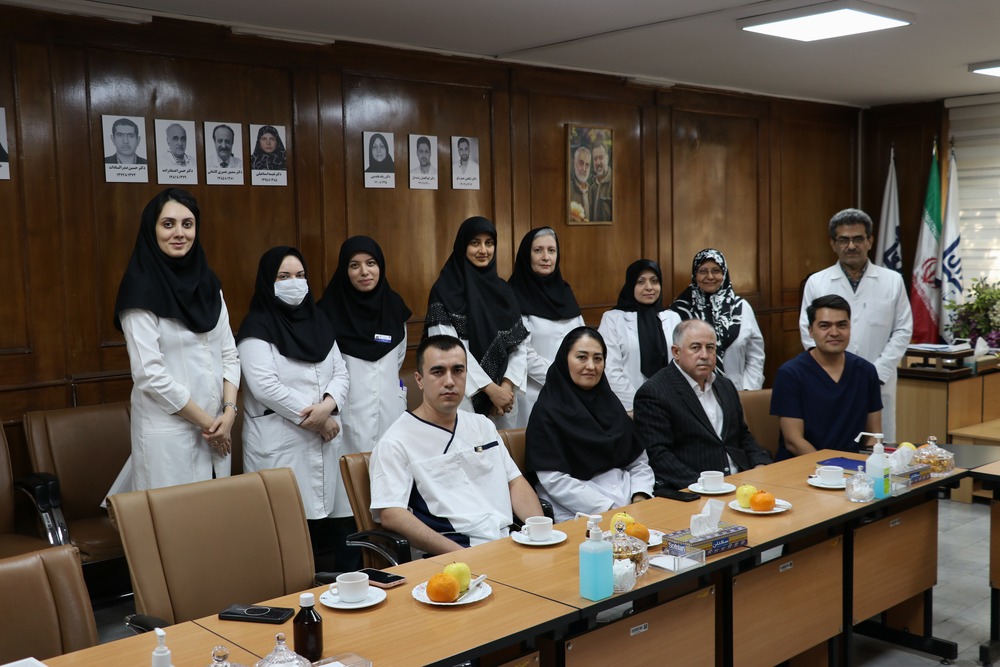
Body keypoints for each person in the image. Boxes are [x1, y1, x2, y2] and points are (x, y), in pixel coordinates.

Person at [369, 335, 543, 555]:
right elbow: (391, 514)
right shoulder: (395, 442)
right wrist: (462, 554)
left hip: (507, 543)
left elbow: (515, 482)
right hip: (451, 554)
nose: (450, 381)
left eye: (458, 370)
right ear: (419, 380)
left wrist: (541, 533)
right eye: (438, 372)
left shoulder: (482, 425)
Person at [113, 188, 238, 490]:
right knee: (172, 516)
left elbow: (229, 354)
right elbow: (149, 375)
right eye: (168, 224)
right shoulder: (139, 289)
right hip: (170, 434)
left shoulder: (209, 284)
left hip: (217, 428)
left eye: (187, 224)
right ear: (151, 229)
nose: (179, 233)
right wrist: (210, 424)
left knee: (214, 511)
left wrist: (229, 412)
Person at [237, 246, 352, 569]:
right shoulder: (255, 328)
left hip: (320, 440)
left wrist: (328, 405)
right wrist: (319, 419)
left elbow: (341, 372)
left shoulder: (319, 321)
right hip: (280, 442)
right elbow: (265, 387)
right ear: (267, 282)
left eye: (300, 276)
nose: (294, 283)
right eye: (283, 277)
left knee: (319, 524)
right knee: (282, 529)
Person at [799, 208, 911, 442]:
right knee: (834, 445)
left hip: (880, 380)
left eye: (858, 239)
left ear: (870, 241)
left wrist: (876, 373)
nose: (851, 246)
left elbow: (902, 329)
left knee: (877, 447)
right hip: (830, 381)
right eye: (844, 240)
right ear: (833, 244)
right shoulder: (817, 282)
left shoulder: (892, 281)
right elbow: (808, 332)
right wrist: (830, 374)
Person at [525, 327, 653, 521]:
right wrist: (609, 508)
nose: (591, 366)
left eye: (598, 359)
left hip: (630, 502)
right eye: (582, 357)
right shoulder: (547, 411)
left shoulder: (611, 405)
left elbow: (639, 462)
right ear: (564, 360)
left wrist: (640, 496)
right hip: (580, 510)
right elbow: (553, 480)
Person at [634, 320, 772, 492]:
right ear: (676, 352)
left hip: (741, 481)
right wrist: (704, 487)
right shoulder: (654, 392)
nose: (705, 355)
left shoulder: (725, 385)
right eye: (695, 348)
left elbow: (742, 434)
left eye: (710, 348)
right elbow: (658, 455)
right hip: (695, 488)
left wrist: (760, 465)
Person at [424, 216, 528, 428]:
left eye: (489, 243)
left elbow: (519, 346)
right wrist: (490, 389)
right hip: (463, 395)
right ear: (462, 246)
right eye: (475, 243)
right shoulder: (444, 291)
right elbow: (447, 350)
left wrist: (506, 387)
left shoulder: (504, 291)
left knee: (502, 447)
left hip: (504, 402)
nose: (483, 250)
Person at [318, 236, 411, 455]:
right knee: (348, 473)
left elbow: (398, 357)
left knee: (390, 466)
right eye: (354, 265)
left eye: (371, 263)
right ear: (344, 270)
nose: (364, 272)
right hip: (346, 417)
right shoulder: (325, 313)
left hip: (391, 413)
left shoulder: (394, 307)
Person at [775, 295, 883, 460]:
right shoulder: (790, 374)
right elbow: (794, 442)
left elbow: (873, 435)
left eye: (842, 325)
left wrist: (872, 464)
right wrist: (830, 468)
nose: (834, 333)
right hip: (802, 465)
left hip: (854, 467)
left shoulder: (866, 371)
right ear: (811, 331)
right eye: (824, 326)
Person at [508, 227, 585, 427]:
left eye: (551, 250)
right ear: (527, 255)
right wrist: (564, 377)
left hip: (573, 392)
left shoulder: (565, 292)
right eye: (538, 250)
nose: (546, 257)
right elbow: (523, 352)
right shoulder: (512, 295)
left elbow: (583, 340)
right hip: (534, 395)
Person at [670, 249, 765, 390]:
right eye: (703, 271)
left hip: (738, 391)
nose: (710, 276)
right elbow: (674, 356)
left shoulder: (740, 307)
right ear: (695, 275)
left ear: (724, 273)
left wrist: (749, 389)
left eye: (716, 271)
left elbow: (755, 355)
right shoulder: (680, 310)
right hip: (693, 392)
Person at [598, 259, 681, 411]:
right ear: (631, 285)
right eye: (641, 282)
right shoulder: (613, 318)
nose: (649, 287)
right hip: (628, 408)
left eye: (654, 281)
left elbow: (681, 365)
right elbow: (610, 369)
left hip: (670, 406)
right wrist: (640, 405)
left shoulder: (672, 317)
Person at [569, 145, 592, 222]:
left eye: (587, 165)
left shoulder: (591, 191)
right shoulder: (568, 189)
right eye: (581, 163)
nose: (584, 169)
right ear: (575, 164)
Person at [590, 142, 612, 222]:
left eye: (601, 157)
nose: (598, 162)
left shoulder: (615, 184)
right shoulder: (591, 187)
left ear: (607, 158)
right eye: (595, 159)